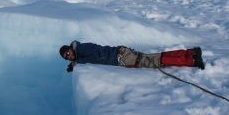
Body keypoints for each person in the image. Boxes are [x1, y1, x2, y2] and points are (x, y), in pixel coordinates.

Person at [59, 40, 205, 72]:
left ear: (70, 49)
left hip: (121, 57)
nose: (68, 57)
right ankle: (190, 54)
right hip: (121, 57)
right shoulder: (80, 51)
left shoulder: (83, 49)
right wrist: (73, 63)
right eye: (66, 57)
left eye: (67, 54)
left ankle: (192, 60)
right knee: (156, 59)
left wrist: (77, 61)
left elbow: (95, 56)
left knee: (156, 61)